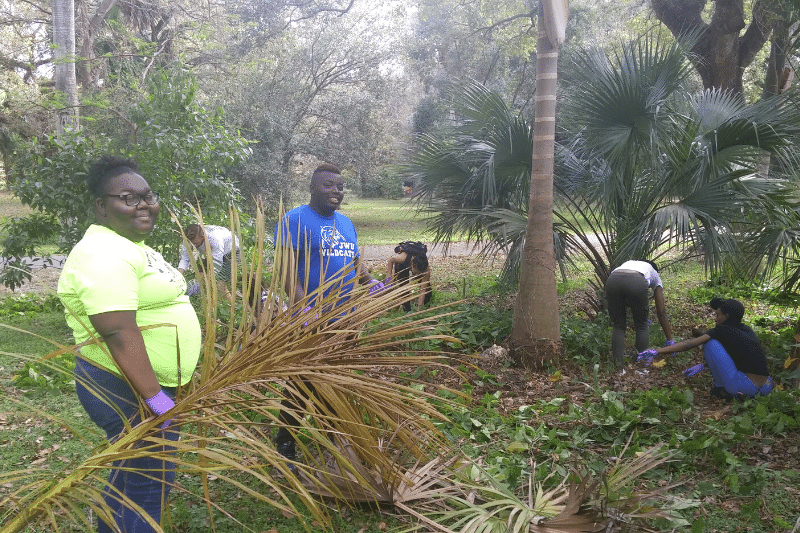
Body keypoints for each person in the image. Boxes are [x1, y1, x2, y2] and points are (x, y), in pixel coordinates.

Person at [57, 156, 201, 533]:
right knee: (148, 487)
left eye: (147, 195)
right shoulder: (102, 254)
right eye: (128, 197)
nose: (143, 204)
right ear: (102, 207)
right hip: (124, 388)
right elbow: (119, 332)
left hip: (145, 384)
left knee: (129, 479)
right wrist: (156, 399)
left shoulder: (132, 244)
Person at [273, 163, 384, 469]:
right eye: (329, 186)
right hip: (311, 319)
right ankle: (285, 440)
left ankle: (332, 435)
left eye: (340, 186)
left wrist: (370, 282)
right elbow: (285, 270)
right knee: (303, 380)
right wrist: (302, 309)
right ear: (311, 188)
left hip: (345, 318)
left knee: (337, 377)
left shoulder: (346, 222)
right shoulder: (294, 220)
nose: (337, 191)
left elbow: (354, 259)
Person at [638, 297, 773, 400]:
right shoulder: (746, 330)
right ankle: (734, 389)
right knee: (717, 346)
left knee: (710, 343)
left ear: (726, 316)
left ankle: (722, 390)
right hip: (766, 386)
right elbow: (735, 356)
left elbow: (689, 344)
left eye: (718, 315)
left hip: (746, 388)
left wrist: (657, 351)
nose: (715, 318)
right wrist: (704, 365)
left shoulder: (721, 330)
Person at [605, 260, 674, 372]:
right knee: (641, 325)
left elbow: (624, 290)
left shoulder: (628, 263)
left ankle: (619, 369)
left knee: (618, 325)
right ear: (655, 269)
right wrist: (670, 339)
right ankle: (642, 367)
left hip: (613, 279)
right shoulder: (654, 273)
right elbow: (661, 311)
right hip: (636, 281)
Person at [177, 224, 240, 300]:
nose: (193, 245)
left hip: (230, 252)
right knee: (199, 277)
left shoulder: (214, 238)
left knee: (220, 285)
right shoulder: (187, 240)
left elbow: (216, 264)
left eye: (196, 243)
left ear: (203, 236)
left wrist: (205, 281)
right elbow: (185, 259)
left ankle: (233, 307)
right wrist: (178, 277)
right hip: (212, 253)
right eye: (191, 243)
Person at [387, 242, 432, 312]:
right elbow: (390, 260)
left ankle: (427, 308)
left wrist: (419, 309)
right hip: (403, 264)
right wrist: (389, 279)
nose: (416, 276)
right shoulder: (402, 259)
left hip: (416, 264)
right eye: (415, 273)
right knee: (404, 288)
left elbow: (423, 290)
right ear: (412, 266)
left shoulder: (426, 270)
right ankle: (407, 310)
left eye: (419, 274)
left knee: (427, 291)